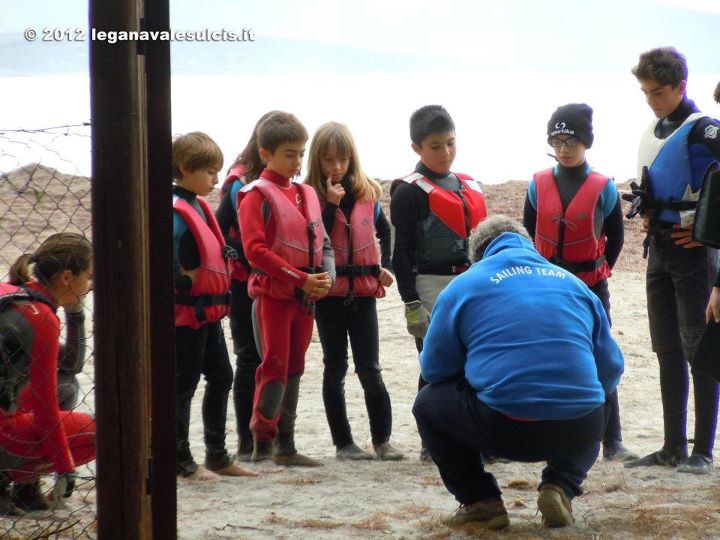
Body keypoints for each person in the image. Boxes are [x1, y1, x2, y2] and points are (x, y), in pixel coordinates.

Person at [412, 215, 624, 530]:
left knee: (426, 404)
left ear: (477, 255)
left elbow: (434, 369)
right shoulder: (574, 283)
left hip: (503, 427)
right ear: (529, 245)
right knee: (597, 395)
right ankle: (561, 486)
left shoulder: (464, 286)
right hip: (579, 428)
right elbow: (611, 371)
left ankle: (481, 501)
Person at [623, 47, 720, 474]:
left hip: (694, 256)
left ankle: (703, 450)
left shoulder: (705, 131)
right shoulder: (656, 128)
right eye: (645, 92)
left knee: (698, 347)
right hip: (659, 250)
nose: (651, 100)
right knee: (666, 348)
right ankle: (671, 446)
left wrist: (708, 234)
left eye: (658, 92)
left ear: (681, 86)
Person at [523, 103, 636, 462]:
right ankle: (541, 434)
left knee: (599, 357)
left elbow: (616, 239)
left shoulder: (604, 187)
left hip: (590, 285)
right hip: (547, 285)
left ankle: (612, 440)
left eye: (571, 140)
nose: (564, 148)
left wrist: (599, 270)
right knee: (543, 356)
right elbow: (527, 232)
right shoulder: (538, 184)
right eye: (556, 140)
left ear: (586, 142)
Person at [237, 112, 335, 466]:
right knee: (274, 365)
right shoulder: (255, 195)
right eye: (289, 154)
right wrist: (300, 279)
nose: (296, 161)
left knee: (295, 366)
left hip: (305, 298)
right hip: (274, 297)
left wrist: (324, 279)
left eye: (301, 153)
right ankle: (262, 443)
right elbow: (255, 251)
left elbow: (322, 243)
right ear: (266, 154)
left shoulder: (306, 193)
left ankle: (286, 446)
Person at [390, 105, 487, 460]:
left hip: (471, 283)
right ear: (417, 147)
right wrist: (410, 302)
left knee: (475, 363)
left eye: (450, 143)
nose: (445, 153)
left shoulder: (469, 184)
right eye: (435, 146)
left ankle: (475, 439)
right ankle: (431, 443)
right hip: (430, 284)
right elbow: (400, 253)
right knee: (435, 365)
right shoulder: (408, 192)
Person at [304, 121, 403, 461]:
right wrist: (330, 206)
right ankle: (343, 444)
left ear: (352, 159)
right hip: (330, 296)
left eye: (343, 160)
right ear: (316, 160)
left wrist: (385, 267)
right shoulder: (309, 197)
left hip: (362, 294)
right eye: (328, 160)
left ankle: (382, 441)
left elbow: (386, 232)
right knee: (335, 367)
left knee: (370, 368)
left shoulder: (368, 193)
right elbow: (315, 239)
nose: (336, 167)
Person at [172, 131, 255, 480]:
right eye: (209, 171)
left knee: (222, 375)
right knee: (184, 383)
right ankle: (180, 460)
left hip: (209, 313)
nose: (216, 179)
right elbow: (166, 260)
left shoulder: (197, 204)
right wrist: (185, 282)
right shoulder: (175, 211)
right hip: (185, 315)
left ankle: (217, 456)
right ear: (184, 168)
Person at [0, 233, 96, 514]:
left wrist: (75, 312)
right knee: (100, 432)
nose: (90, 286)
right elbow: (45, 411)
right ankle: (10, 477)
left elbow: (70, 365)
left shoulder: (11, 293)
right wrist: (65, 468)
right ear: (67, 277)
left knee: (65, 385)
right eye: (88, 277)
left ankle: (22, 487)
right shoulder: (41, 317)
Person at [215, 111, 278, 461]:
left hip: (275, 283)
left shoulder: (281, 183)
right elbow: (220, 226)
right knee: (249, 357)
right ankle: (244, 440)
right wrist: (241, 255)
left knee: (271, 359)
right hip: (244, 284)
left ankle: (266, 437)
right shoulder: (240, 183)